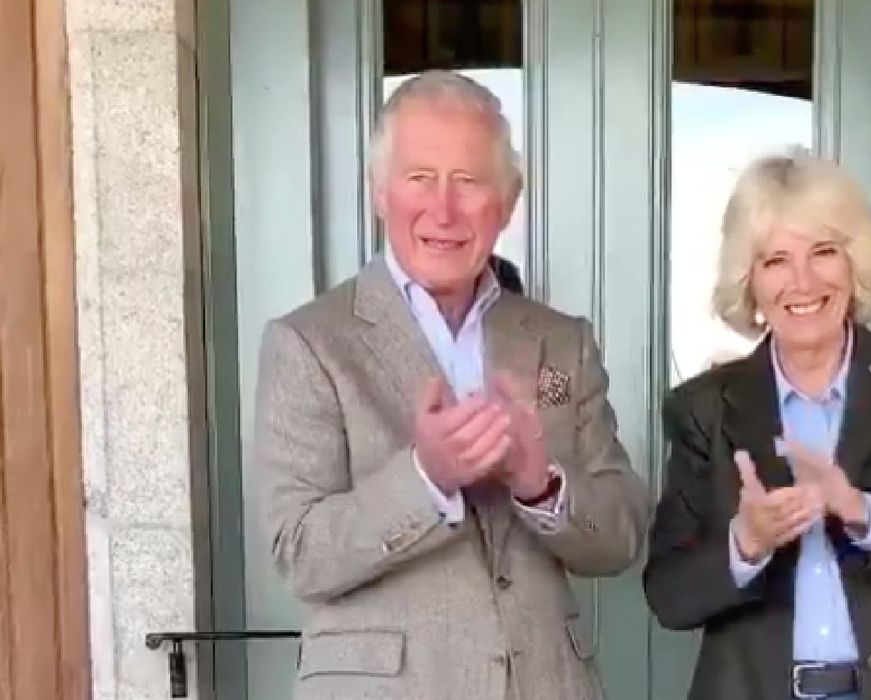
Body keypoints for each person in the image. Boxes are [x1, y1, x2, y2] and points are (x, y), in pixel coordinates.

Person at [255, 70, 649, 700]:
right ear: (379, 192)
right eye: (419, 179)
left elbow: (621, 535)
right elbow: (300, 554)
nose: (442, 209)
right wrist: (426, 477)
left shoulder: (562, 341)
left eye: (468, 182)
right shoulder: (308, 343)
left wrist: (540, 485)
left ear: (508, 200)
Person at [643, 152, 871, 700]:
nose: (803, 281)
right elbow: (669, 594)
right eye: (775, 261)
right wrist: (748, 542)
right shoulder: (705, 408)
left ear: (854, 262)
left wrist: (864, 514)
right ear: (751, 284)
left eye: (823, 252)